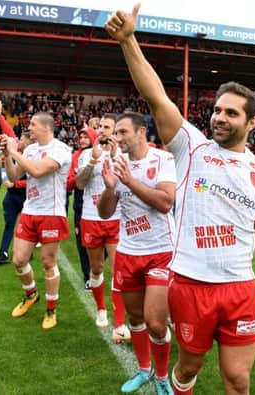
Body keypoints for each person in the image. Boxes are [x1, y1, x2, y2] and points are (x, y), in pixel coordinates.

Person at [105, 5, 255, 395]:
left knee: (238, 378)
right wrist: (129, 41)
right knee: (189, 366)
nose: (219, 117)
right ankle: (179, 383)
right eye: (217, 110)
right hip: (191, 284)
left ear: (251, 122)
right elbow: (156, 97)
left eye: (231, 113)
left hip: (239, 288)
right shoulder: (191, 148)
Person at [96, 112, 176, 393]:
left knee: (155, 322)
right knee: (135, 318)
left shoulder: (162, 159)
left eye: (122, 132)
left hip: (161, 250)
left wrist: (129, 182)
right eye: (115, 133)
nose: (117, 138)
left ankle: (163, 377)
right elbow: (105, 212)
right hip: (129, 251)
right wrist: (109, 189)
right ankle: (144, 370)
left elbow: (166, 202)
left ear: (141, 132)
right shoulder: (118, 164)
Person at [1, 112, 72, 330]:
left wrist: (15, 151)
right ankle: (31, 295)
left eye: (33, 124)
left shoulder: (61, 149)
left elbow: (38, 171)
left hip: (51, 213)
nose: (29, 127)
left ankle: (51, 309)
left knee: (48, 263)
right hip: (30, 211)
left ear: (46, 127)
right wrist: (6, 154)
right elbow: (14, 176)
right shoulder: (30, 150)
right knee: (19, 259)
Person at [76, 114, 130, 343]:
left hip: (117, 218)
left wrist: (116, 156)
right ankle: (101, 309)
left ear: (116, 131)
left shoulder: (125, 155)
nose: (102, 131)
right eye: (99, 127)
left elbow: (129, 183)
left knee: (118, 270)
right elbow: (79, 184)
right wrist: (91, 162)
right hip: (91, 216)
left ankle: (119, 322)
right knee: (96, 268)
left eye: (107, 127)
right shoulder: (88, 154)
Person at [0, 132, 33, 265]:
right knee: (9, 225)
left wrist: (15, 183)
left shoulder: (33, 157)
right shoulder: (16, 155)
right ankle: (3, 253)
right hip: (12, 196)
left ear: (28, 141)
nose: (18, 141)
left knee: (25, 226)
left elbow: (34, 180)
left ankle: (28, 251)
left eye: (21, 139)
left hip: (27, 197)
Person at [67, 127, 97, 286]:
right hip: (81, 204)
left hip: (100, 203)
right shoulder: (76, 156)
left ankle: (96, 270)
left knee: (104, 242)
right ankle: (88, 277)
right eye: (81, 137)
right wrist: (80, 176)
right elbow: (70, 183)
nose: (83, 139)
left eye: (86, 137)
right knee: (83, 244)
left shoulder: (102, 153)